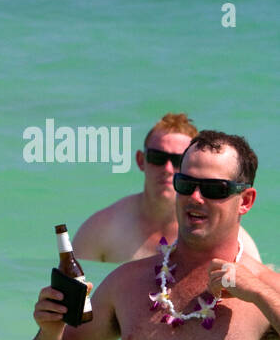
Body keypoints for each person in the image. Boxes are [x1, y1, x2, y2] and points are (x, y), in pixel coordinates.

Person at [29, 130, 280, 340]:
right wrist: (50, 332)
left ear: (245, 201)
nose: (195, 197)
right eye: (186, 185)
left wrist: (254, 290)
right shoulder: (128, 282)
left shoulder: (265, 288)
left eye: (214, 189)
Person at [73, 112, 259, 263]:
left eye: (178, 160)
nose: (168, 169)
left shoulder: (240, 245)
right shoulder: (103, 229)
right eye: (157, 158)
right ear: (141, 161)